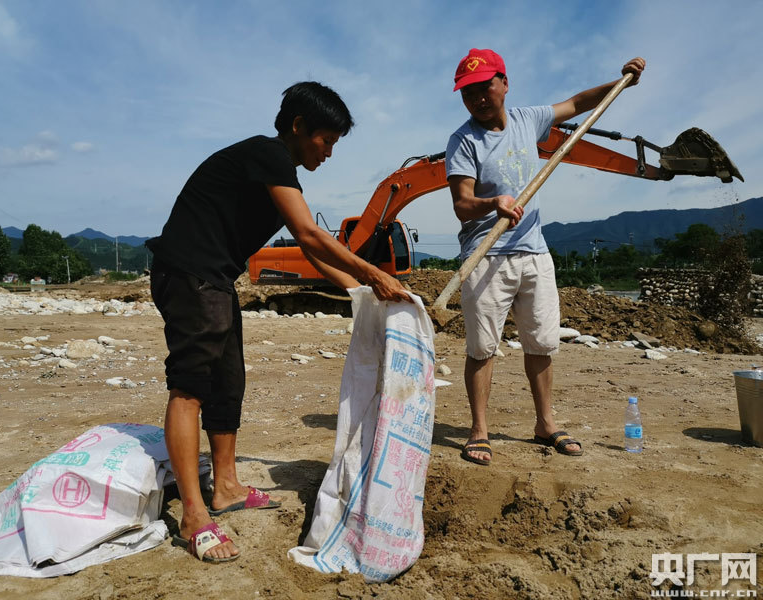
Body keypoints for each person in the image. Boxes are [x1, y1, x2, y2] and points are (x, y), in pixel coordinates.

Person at [146, 81, 412, 562]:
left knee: (227, 383)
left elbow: (309, 245)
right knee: (190, 385)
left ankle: (224, 486)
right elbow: (311, 233)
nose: (329, 152)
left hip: (216, 278)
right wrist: (373, 271)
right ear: (297, 127)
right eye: (325, 140)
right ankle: (192, 514)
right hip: (187, 273)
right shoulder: (270, 155)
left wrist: (360, 291)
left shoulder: (277, 170)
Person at [445, 49, 645, 465]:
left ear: (503, 82)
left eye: (484, 87)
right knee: (482, 348)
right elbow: (462, 203)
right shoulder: (462, 141)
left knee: (541, 342)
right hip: (486, 256)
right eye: (468, 93)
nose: (478, 98)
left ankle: (545, 423)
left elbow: (576, 103)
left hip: (534, 252)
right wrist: (493, 203)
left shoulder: (527, 120)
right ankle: (479, 430)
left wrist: (621, 82)